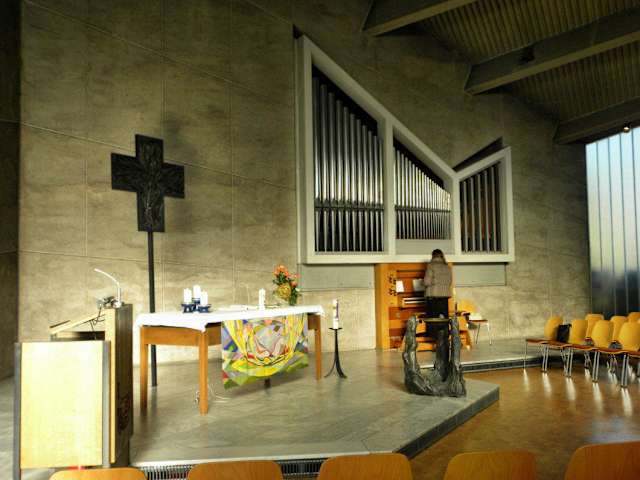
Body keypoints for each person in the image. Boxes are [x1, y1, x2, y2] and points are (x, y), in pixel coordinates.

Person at [423, 249, 452, 319]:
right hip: (444, 297)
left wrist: (422, 283)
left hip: (433, 297)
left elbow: (426, 282)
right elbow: (449, 281)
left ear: (433, 256)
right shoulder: (447, 267)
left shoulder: (431, 266)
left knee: (432, 319)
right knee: (444, 318)